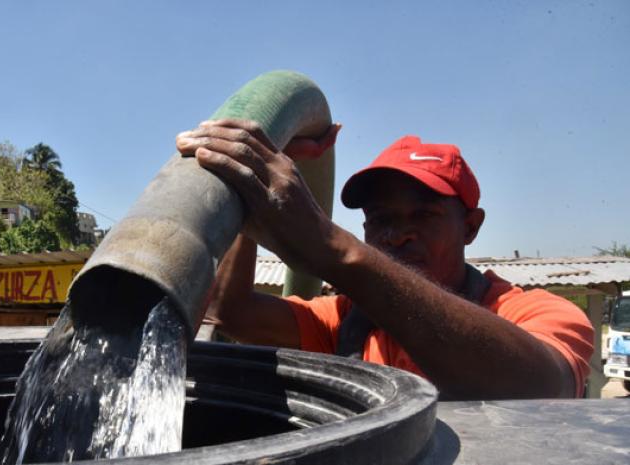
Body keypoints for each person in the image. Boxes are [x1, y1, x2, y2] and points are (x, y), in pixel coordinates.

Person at [175, 119, 594, 400]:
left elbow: (545, 388)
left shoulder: (533, 311)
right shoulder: (345, 320)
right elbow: (232, 311)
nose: (397, 234)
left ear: (471, 226)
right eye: (380, 219)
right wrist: (246, 193)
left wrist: (334, 249)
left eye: (423, 215)